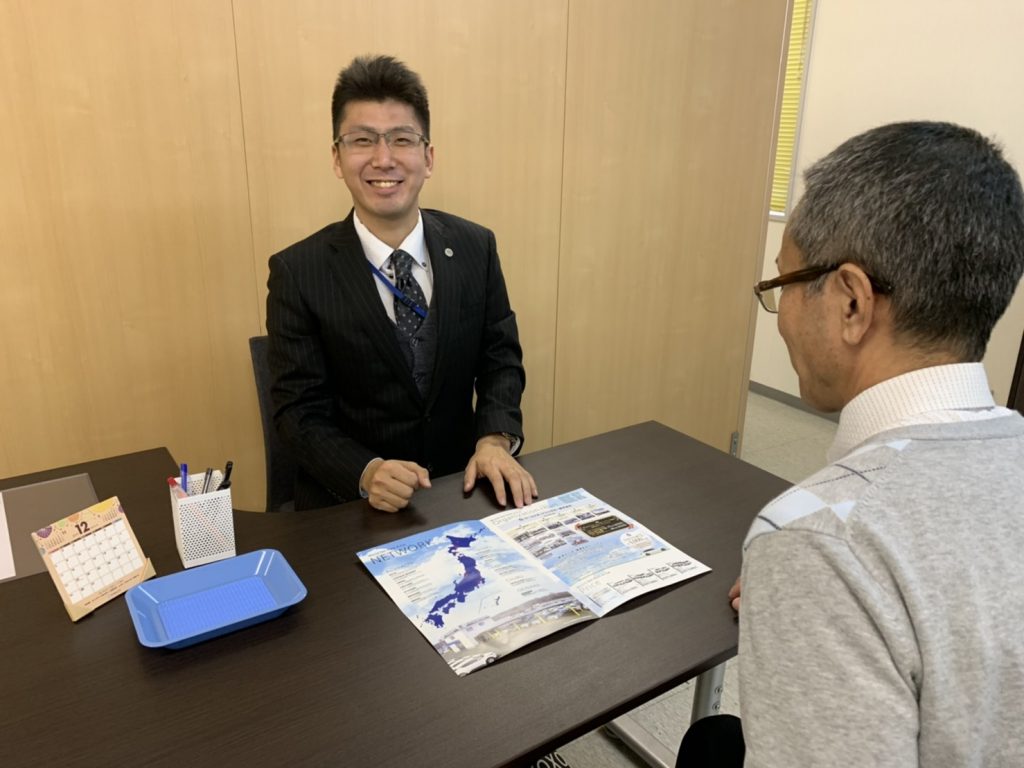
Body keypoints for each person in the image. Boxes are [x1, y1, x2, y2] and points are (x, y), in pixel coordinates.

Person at [678, 121, 1024, 766]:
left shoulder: (818, 538)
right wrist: (833, 601)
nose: (779, 317)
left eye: (781, 286)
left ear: (851, 304)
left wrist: (817, 571)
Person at [266, 55, 537, 512]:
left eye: (402, 139)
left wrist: (494, 440)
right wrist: (365, 471)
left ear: (427, 158)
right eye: (362, 140)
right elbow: (297, 413)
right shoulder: (297, 271)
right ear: (337, 158)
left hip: (460, 490)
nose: (383, 158)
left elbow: (501, 361)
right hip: (348, 509)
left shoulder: (476, 246)